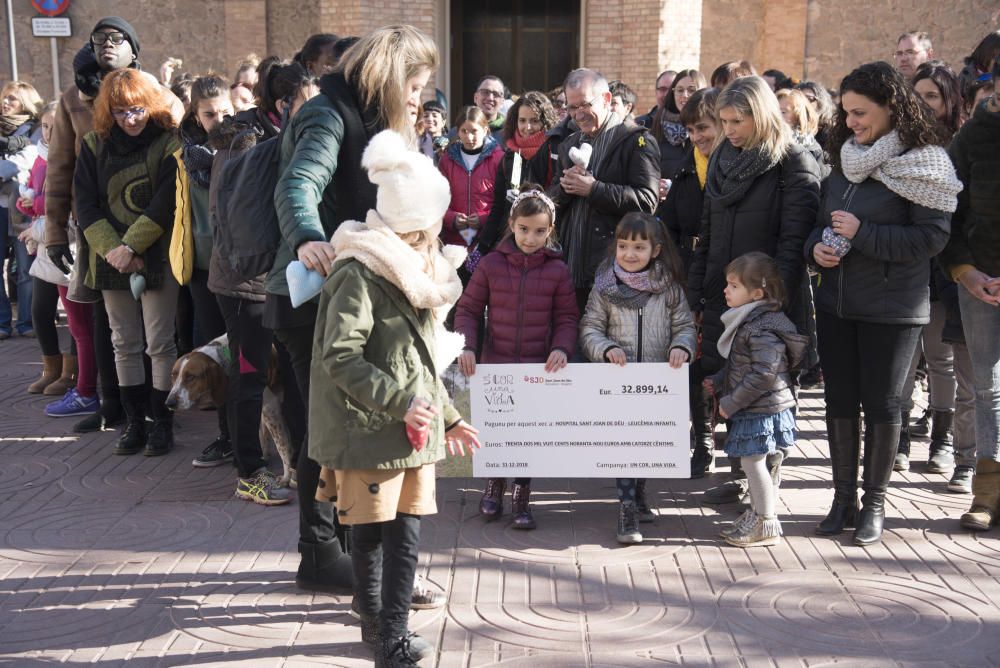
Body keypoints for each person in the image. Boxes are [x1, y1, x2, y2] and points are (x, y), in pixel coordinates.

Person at [269, 25, 443, 616]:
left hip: (358, 291)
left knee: (355, 428)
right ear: (389, 78)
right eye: (414, 86)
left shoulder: (374, 117)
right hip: (317, 293)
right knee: (329, 429)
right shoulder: (330, 114)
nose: (419, 98)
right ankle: (324, 551)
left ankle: (348, 553)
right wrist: (309, 240)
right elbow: (297, 184)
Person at [310, 128, 480, 667]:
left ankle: (382, 617)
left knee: (403, 531)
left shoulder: (415, 270)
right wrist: (401, 402)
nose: (441, 229)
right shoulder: (360, 272)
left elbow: (424, 355)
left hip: (412, 425)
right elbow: (341, 356)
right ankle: (387, 633)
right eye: (435, 221)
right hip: (369, 428)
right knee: (373, 532)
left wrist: (448, 416)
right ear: (416, 223)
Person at [808, 61, 961, 545]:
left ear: (892, 107)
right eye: (846, 112)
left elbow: (932, 238)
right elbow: (819, 221)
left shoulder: (926, 162)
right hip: (836, 302)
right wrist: (816, 247)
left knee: (882, 405)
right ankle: (841, 500)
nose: (850, 122)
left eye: (860, 112)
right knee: (838, 403)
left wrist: (864, 233)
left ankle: (874, 503)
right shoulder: (844, 158)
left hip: (893, 309)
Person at [44, 15, 184, 434]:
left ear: (134, 49)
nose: (107, 44)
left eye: (117, 38)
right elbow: (61, 169)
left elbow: (171, 173)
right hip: (100, 233)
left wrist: (135, 244)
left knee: (159, 333)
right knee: (111, 329)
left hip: (151, 237)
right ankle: (117, 408)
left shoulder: (159, 98)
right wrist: (55, 231)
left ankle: (159, 416)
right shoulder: (74, 98)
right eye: (99, 38)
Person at [687, 76, 821, 505]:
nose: (729, 130)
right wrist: (697, 290)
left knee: (768, 392)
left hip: (769, 300)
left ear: (760, 116)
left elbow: (793, 242)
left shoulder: (792, 161)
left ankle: (768, 482)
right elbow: (706, 232)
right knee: (730, 386)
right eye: (724, 121)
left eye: (737, 120)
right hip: (724, 292)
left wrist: (770, 302)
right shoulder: (725, 156)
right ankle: (744, 475)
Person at [206, 64, 320, 506]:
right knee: (249, 375)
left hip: (267, 280)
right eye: (309, 102)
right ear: (284, 105)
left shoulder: (266, 138)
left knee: (289, 374)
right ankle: (249, 472)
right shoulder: (250, 144)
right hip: (244, 284)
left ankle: (299, 466)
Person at [73, 68, 183, 457]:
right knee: (123, 342)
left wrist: (132, 247)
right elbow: (84, 203)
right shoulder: (92, 144)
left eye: (136, 110)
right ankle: (135, 423)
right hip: (109, 256)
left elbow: (167, 201)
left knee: (159, 341)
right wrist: (113, 250)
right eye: (120, 112)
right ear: (108, 111)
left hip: (156, 251)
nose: (130, 119)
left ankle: (161, 424)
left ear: (149, 105)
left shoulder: (168, 143)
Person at [454, 187, 578, 529]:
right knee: (495, 429)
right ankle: (493, 485)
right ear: (512, 224)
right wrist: (467, 346)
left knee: (528, 433)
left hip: (538, 369)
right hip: (496, 365)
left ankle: (522, 494)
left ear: (550, 230)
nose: (530, 237)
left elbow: (568, 317)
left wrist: (561, 347)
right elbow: (468, 309)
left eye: (539, 231)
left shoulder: (557, 270)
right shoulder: (492, 264)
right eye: (524, 229)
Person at [580, 212, 696, 543]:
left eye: (639, 247)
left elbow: (685, 326)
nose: (630, 254)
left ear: (655, 251)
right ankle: (626, 509)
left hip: (658, 381)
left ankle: (640, 495)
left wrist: (681, 347)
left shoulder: (668, 288)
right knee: (624, 447)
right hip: (618, 385)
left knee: (648, 445)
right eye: (623, 246)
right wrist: (605, 348)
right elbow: (589, 328)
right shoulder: (605, 287)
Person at [706, 252, 807, 547]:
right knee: (754, 463)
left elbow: (764, 374)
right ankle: (758, 514)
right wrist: (719, 380)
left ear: (757, 293)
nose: (726, 290)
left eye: (734, 286)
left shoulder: (761, 327)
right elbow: (743, 365)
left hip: (761, 408)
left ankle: (765, 521)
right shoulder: (752, 320)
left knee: (754, 464)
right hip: (758, 405)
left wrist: (731, 401)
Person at [938, 56, 1000, 531]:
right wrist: (964, 270)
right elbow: (949, 214)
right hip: (979, 282)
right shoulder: (973, 138)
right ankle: (988, 495)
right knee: (987, 388)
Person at [894, 60, 965, 473]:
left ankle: (941, 441)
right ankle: (899, 439)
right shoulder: (897, 144)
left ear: (948, 101)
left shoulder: (959, 144)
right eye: (917, 96)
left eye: (932, 96)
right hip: (904, 265)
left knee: (940, 358)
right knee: (903, 360)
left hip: (944, 268)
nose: (923, 104)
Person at [548, 68, 660, 310]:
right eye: (571, 107)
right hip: (569, 270)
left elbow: (647, 201)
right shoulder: (570, 143)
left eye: (585, 105)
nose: (578, 115)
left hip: (614, 272)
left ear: (607, 99)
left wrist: (594, 190)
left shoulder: (636, 140)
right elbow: (552, 203)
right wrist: (566, 188)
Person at [171, 74, 237, 467]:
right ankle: (226, 437)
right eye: (210, 114)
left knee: (240, 353)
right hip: (201, 266)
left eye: (225, 111)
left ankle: (249, 437)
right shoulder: (184, 156)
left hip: (240, 265)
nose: (218, 119)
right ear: (196, 115)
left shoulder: (247, 147)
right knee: (212, 356)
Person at [660, 87, 719, 478]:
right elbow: (669, 225)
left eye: (704, 128)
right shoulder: (684, 168)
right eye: (691, 130)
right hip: (688, 275)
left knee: (723, 364)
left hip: (727, 275)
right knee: (692, 365)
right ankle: (703, 441)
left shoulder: (734, 165)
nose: (697, 137)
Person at [16, 101, 88, 406]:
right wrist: (26, 205)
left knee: (76, 318)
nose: (48, 132)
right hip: (45, 243)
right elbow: (35, 193)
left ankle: (73, 373)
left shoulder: (71, 157)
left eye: (54, 126)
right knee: (39, 309)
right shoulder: (40, 158)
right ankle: (52, 368)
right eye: (44, 126)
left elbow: (65, 203)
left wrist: (40, 211)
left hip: (65, 245)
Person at [474, 91, 559, 259]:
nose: (527, 127)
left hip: (544, 246)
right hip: (509, 245)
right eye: (522, 120)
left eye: (534, 121)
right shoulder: (510, 155)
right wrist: (483, 246)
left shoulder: (554, 152)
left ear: (545, 122)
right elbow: (498, 207)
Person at [1, 81, 44, 340]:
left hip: (21, 207)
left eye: (13, 99)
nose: (6, 103)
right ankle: (3, 322)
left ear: (26, 103)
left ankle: (27, 322)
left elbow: (23, 162)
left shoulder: (35, 131)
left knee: (26, 267)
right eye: (5, 98)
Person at [437, 106, 502, 250]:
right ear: (457, 132)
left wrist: (484, 218)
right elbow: (437, 198)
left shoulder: (499, 159)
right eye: (464, 131)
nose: (469, 137)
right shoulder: (447, 160)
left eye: (474, 131)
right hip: (453, 241)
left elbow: (503, 201)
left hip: (486, 240)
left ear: (485, 130)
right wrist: (451, 218)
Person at [653, 70, 708, 180]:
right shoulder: (658, 123)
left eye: (691, 90)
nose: (685, 95)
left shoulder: (712, 126)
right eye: (680, 90)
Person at [794, 81, 837, 150]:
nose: (803, 103)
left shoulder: (830, 133)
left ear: (821, 103)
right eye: (798, 99)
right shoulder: (787, 130)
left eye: (809, 99)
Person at [418, 99, 447, 164]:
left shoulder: (450, 144)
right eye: (426, 116)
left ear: (443, 122)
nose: (430, 119)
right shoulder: (415, 143)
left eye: (434, 115)